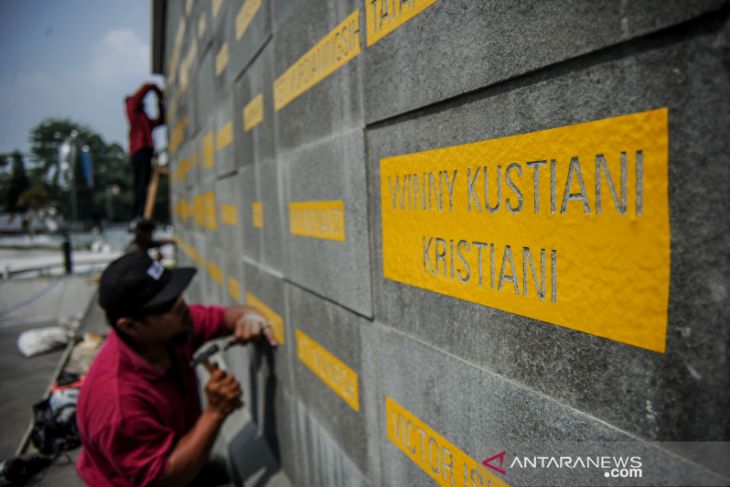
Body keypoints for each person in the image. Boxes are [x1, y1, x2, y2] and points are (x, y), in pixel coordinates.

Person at [75, 252, 277, 486]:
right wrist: (215, 412)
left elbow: (224, 317)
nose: (182, 305)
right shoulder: (118, 402)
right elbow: (163, 479)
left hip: (176, 457)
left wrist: (248, 317)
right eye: (168, 304)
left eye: (177, 294)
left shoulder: (172, 330)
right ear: (130, 326)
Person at [126, 83, 165, 224]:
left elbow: (160, 121)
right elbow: (145, 88)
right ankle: (137, 216)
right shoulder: (132, 108)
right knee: (140, 185)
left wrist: (160, 104)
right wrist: (156, 89)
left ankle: (142, 215)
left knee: (145, 185)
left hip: (146, 152)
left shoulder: (144, 119)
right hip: (139, 152)